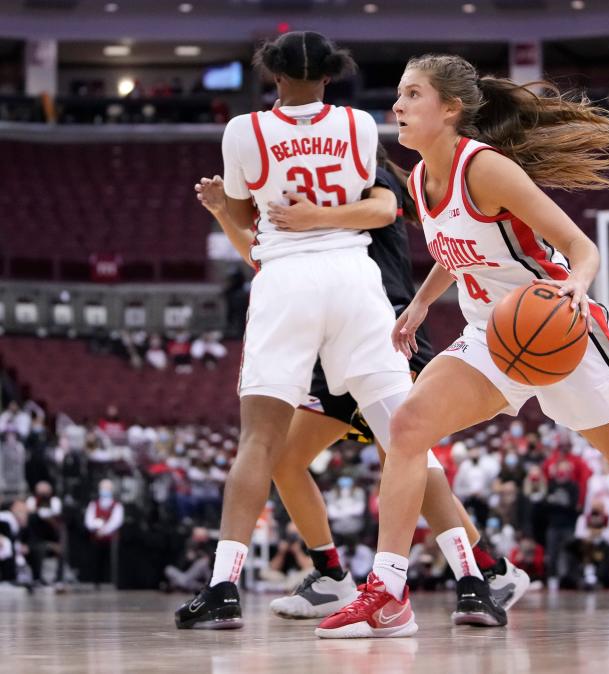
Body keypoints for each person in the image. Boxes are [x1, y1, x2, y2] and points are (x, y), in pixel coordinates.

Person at [316, 54, 609, 638]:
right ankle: (387, 592)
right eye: (400, 96)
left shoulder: (484, 169)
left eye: (412, 96)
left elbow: (580, 246)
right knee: (407, 427)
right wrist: (420, 303)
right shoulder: (417, 179)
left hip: (560, 334)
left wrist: (574, 285)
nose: (397, 107)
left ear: (451, 108)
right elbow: (454, 247)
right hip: (492, 337)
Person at [178, 32, 516, 632]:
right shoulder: (361, 126)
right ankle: (472, 579)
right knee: (405, 440)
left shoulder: (243, 131)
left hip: (288, 277)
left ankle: (223, 587)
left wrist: (236, 209)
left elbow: (249, 216)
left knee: (260, 441)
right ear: (331, 77)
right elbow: (376, 200)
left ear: (270, 76)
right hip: (358, 283)